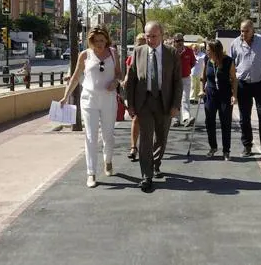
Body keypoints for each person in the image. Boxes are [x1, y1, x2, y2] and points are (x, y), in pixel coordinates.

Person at [59, 26, 122, 188]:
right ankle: (91, 173)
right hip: (89, 100)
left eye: (102, 40)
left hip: (108, 99)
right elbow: (75, 77)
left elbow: (119, 74)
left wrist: (115, 82)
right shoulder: (85, 55)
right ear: (91, 41)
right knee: (90, 136)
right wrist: (65, 96)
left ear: (107, 39)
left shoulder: (113, 53)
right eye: (96, 41)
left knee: (108, 135)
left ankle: (108, 161)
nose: (100, 44)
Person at [125, 21, 182, 192]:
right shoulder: (138, 52)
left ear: (162, 35)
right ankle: (146, 176)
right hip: (145, 102)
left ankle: (156, 163)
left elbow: (177, 82)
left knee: (161, 138)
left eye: (154, 36)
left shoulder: (171, 53)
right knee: (145, 140)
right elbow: (132, 80)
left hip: (165, 102)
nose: (150, 40)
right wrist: (130, 104)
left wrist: (175, 105)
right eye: (147, 36)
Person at [230, 19, 261, 159]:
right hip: (243, 85)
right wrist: (233, 88)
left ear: (253, 30)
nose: (243, 34)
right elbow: (232, 66)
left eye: (246, 31)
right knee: (244, 118)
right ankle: (247, 146)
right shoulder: (235, 43)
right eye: (241, 31)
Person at [198, 40, 237, 161]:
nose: (207, 52)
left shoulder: (228, 61)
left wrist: (234, 95)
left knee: (226, 122)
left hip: (225, 95)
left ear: (216, 51)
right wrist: (201, 90)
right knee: (209, 121)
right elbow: (202, 77)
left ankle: (226, 150)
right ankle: (213, 147)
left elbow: (234, 79)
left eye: (209, 50)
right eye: (206, 50)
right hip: (210, 95)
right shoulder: (206, 60)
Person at [125, 33, 146, 161]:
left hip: (151, 93)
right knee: (136, 119)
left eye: (143, 41)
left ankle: (149, 148)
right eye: (139, 41)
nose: (141, 43)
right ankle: (133, 147)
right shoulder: (133, 57)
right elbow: (129, 73)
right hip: (137, 94)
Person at [171, 33, 196, 127]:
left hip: (186, 78)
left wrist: (186, 69)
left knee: (185, 98)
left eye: (181, 40)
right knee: (175, 98)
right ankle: (175, 118)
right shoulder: (171, 51)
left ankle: (186, 118)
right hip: (173, 79)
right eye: (177, 41)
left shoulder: (189, 51)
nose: (180, 42)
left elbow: (193, 63)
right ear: (174, 42)